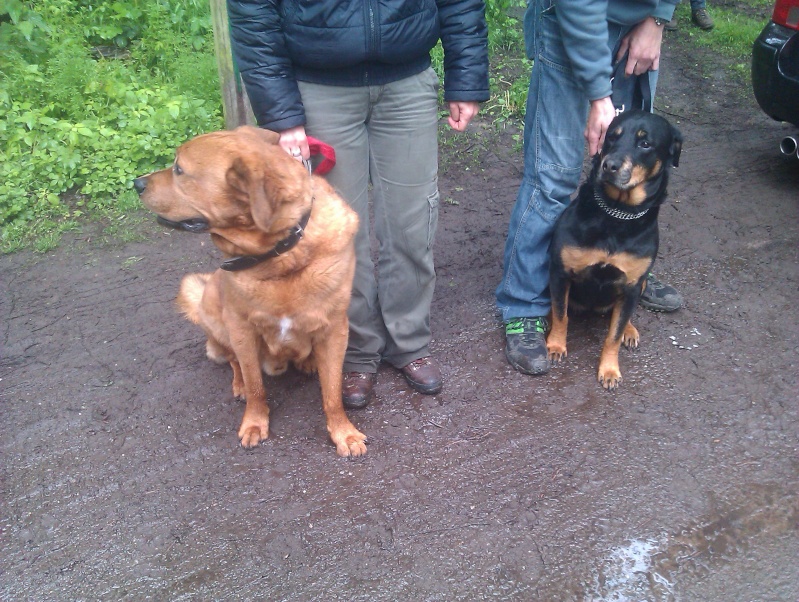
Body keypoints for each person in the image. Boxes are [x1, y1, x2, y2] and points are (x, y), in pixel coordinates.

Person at [227, 1, 489, 407]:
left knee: (413, 219)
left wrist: (466, 77)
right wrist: (282, 114)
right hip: (319, 88)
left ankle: (408, 341)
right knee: (334, 237)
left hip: (407, 81)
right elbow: (254, 15)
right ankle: (356, 351)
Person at [496, 0, 684, 376]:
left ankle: (627, 272)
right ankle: (523, 306)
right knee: (554, 176)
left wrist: (658, 17)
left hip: (640, 25)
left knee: (631, 158)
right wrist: (600, 97)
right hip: (573, 20)